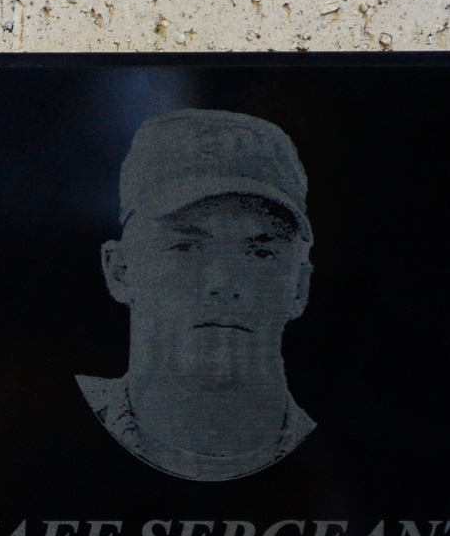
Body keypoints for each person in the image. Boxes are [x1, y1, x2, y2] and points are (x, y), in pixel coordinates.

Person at [77, 108, 316, 482]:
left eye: (259, 252)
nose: (223, 282)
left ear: (300, 287)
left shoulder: (349, 459)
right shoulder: (45, 435)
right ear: (120, 270)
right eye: (187, 247)